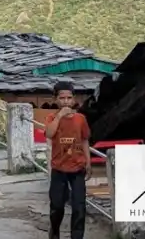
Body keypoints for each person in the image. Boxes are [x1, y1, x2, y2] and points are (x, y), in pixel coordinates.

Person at [46, 80, 90, 239]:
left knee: (79, 206)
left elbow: (85, 140)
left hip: (78, 168)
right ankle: (55, 231)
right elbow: (49, 134)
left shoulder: (81, 119)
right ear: (56, 100)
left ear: (74, 99)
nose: (66, 101)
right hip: (59, 168)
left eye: (69, 98)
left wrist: (88, 162)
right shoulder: (52, 117)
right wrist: (59, 116)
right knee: (57, 206)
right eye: (62, 98)